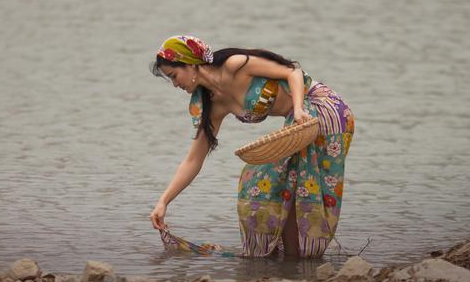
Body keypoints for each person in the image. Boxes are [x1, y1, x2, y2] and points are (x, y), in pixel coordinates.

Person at [149, 35, 355, 258]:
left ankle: (296, 258)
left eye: (174, 76)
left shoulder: (234, 65)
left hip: (322, 109)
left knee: (271, 183)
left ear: (190, 64)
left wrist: (297, 109)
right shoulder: (213, 105)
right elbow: (193, 160)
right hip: (298, 124)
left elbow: (292, 72)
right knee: (271, 188)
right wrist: (163, 202)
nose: (175, 84)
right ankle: (292, 262)